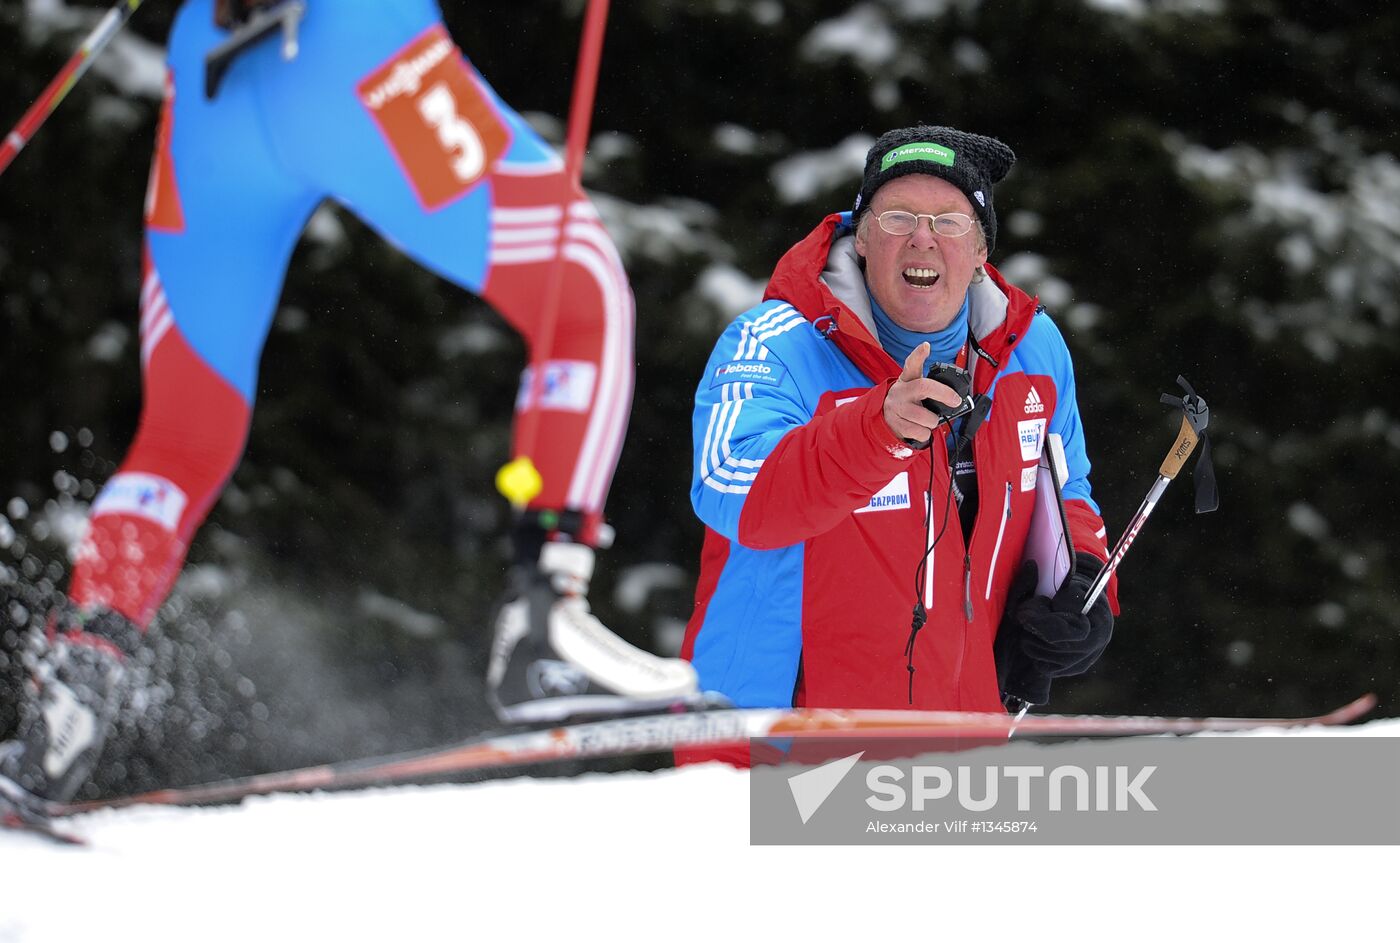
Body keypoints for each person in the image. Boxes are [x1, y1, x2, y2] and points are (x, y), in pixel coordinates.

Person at [0, 0, 696, 808]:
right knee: (583, 293)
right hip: (351, 49)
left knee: (185, 431)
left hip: (214, 73)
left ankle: (78, 680)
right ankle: (547, 621)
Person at [682, 125, 1119, 731]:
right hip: (771, 748)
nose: (922, 237)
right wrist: (875, 432)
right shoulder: (774, 342)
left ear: (980, 250)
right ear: (860, 237)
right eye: (896, 218)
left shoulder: (1032, 347)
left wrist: (1083, 585)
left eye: (949, 221)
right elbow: (731, 489)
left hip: (955, 743)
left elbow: (1067, 490)